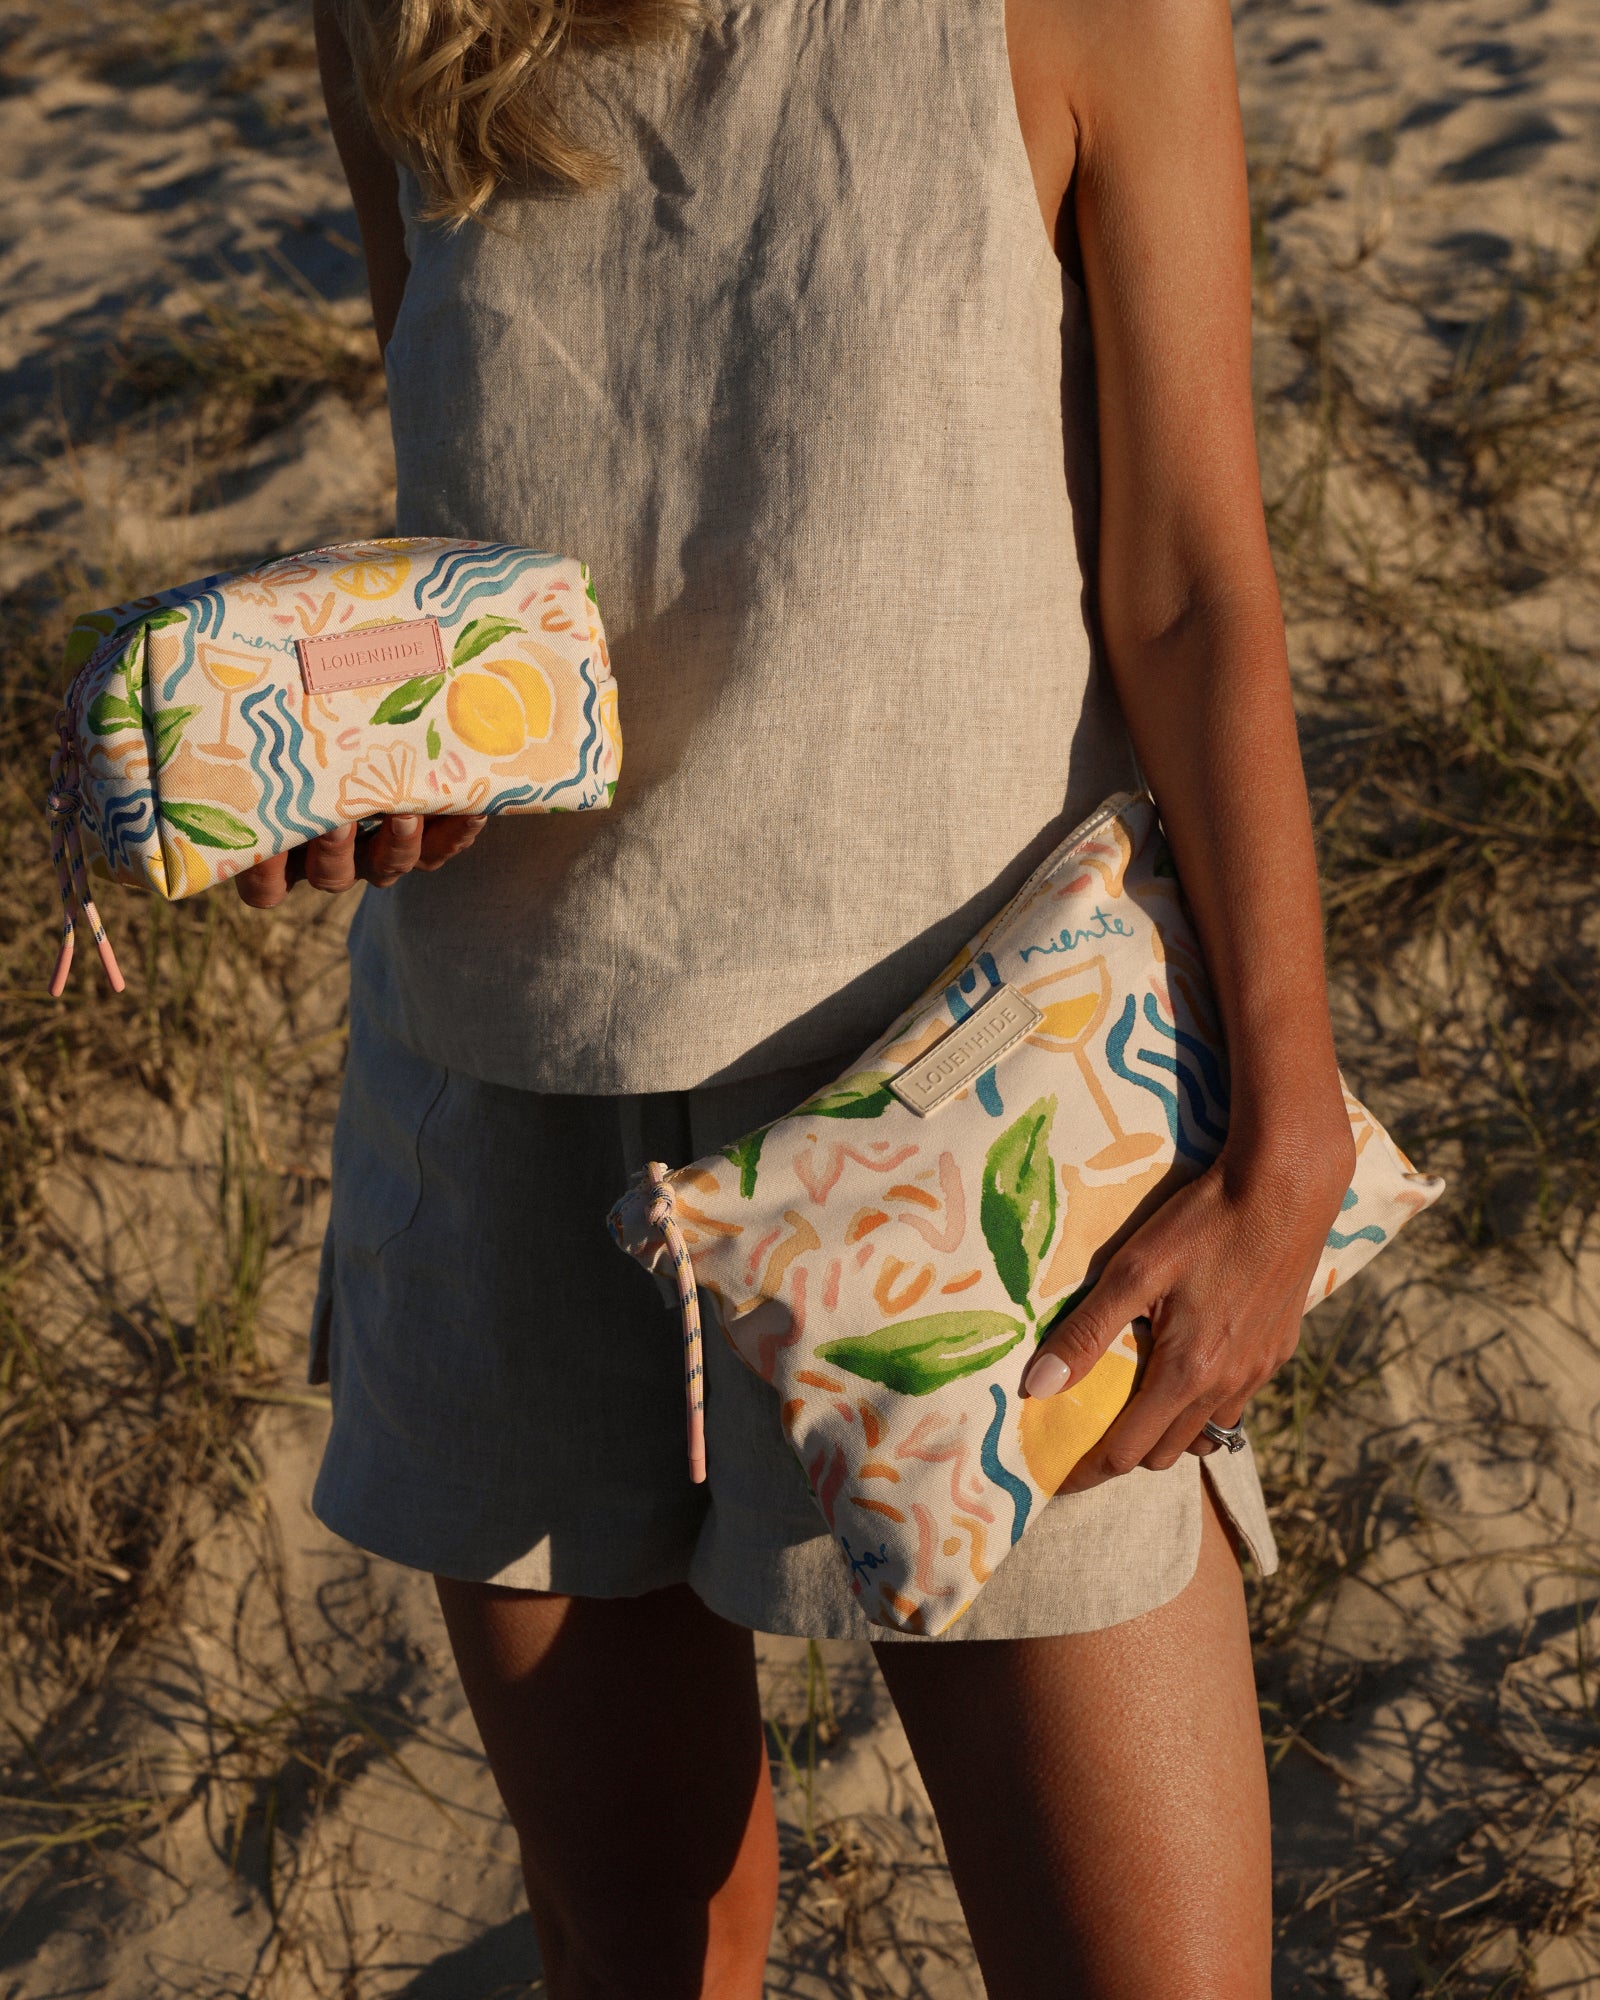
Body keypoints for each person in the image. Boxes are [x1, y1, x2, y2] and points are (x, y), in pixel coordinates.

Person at [236, 1, 1355, 1992]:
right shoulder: (409, 15)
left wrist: (1291, 1134)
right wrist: (373, 742)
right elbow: (482, 555)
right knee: (640, 1944)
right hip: (508, 1086)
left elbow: (1188, 581)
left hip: (976, 1117)